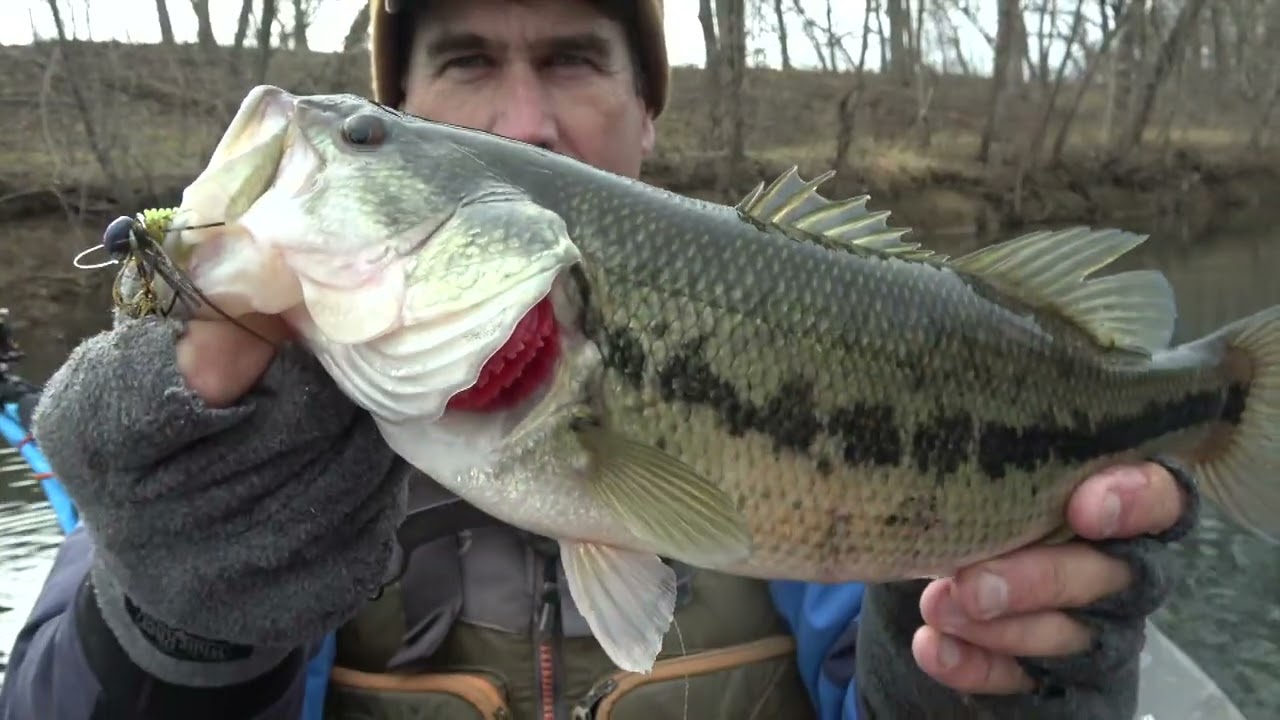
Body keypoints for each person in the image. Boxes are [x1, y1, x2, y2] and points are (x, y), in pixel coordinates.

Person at [0, 1, 1201, 718]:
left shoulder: (801, 340)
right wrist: (166, 628)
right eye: (464, 61)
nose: (524, 121)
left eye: (574, 57)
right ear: (409, 90)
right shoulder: (228, 446)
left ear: (648, 112)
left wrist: (984, 690)